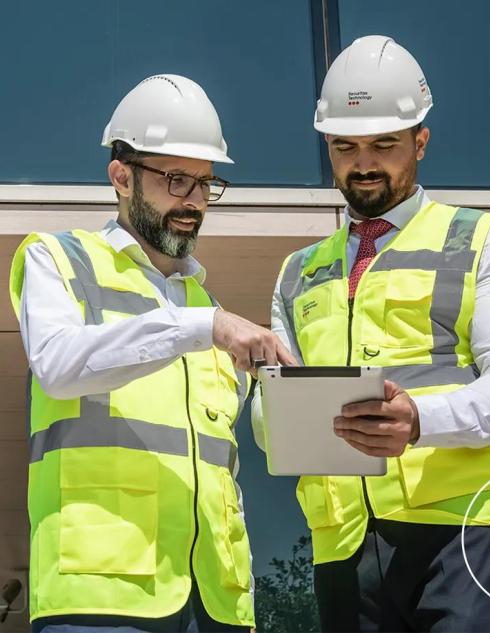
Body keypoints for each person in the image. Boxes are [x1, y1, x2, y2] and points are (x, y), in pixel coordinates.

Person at [252, 36, 490, 632]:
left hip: (468, 538)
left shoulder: (479, 239)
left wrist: (419, 420)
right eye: (345, 146)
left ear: (421, 141)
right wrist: (271, 409)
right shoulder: (297, 271)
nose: (364, 161)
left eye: (384, 144)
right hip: (343, 550)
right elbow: (268, 419)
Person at [9, 74, 294, 633]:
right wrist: (201, 326)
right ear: (120, 176)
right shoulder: (58, 261)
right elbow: (61, 367)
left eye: (206, 184)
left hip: (218, 604)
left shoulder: (207, 311)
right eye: (175, 180)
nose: (193, 202)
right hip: (99, 598)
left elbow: (239, 455)